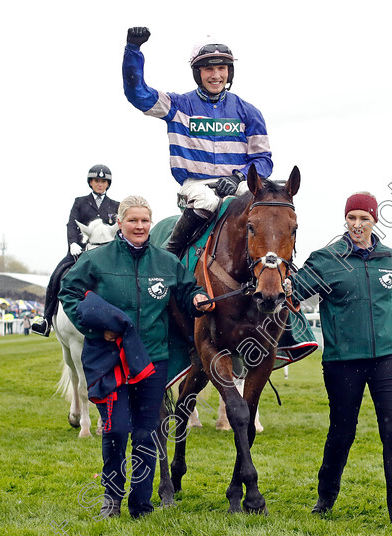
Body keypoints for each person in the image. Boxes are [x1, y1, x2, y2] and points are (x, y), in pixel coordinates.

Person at [288, 192, 392, 527]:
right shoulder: (326, 260)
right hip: (343, 361)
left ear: (374, 220)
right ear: (345, 220)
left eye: (364, 218)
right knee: (342, 432)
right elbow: (290, 292)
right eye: (352, 218)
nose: (357, 224)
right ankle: (325, 497)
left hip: (388, 357)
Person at [59, 195, 213, 519]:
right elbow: (68, 293)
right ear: (120, 222)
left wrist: (197, 297)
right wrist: (96, 330)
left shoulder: (164, 262)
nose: (140, 226)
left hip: (152, 360)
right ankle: (112, 499)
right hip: (111, 359)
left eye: (145, 220)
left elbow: (186, 290)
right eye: (133, 220)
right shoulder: (97, 260)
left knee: (147, 433)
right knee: (115, 430)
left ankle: (141, 505)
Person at [123, 27, 273, 257]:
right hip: (196, 186)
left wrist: (238, 176)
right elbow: (137, 93)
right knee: (207, 202)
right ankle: (171, 259)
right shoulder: (177, 106)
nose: (216, 75)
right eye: (208, 69)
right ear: (198, 73)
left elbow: (263, 160)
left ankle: (278, 269)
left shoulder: (249, 112)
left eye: (221, 68)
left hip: (237, 183)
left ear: (229, 72)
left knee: (267, 203)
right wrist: (133, 50)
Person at [31, 164, 121, 336]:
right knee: (57, 275)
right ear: (91, 182)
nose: (100, 184)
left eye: (103, 181)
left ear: (108, 184)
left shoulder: (115, 206)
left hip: (109, 255)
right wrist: (73, 243)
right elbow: (72, 224)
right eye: (97, 181)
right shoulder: (80, 202)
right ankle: (46, 319)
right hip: (80, 251)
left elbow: (120, 229)